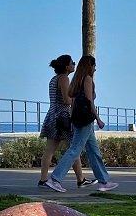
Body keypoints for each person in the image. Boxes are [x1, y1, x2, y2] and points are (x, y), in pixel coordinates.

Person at [43, 55, 118, 193]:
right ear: (90, 66)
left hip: (78, 119)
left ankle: (103, 181)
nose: (95, 68)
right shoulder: (87, 79)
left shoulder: (76, 79)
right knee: (74, 150)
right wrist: (98, 119)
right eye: (94, 66)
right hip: (85, 120)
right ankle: (55, 179)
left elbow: (74, 100)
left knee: (94, 151)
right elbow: (90, 102)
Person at [38, 55, 96, 188]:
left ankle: (43, 179)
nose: (74, 65)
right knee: (74, 148)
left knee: (51, 150)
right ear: (66, 66)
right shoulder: (64, 78)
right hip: (62, 117)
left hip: (52, 116)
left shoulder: (54, 79)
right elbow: (66, 99)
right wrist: (77, 100)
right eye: (72, 63)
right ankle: (80, 179)